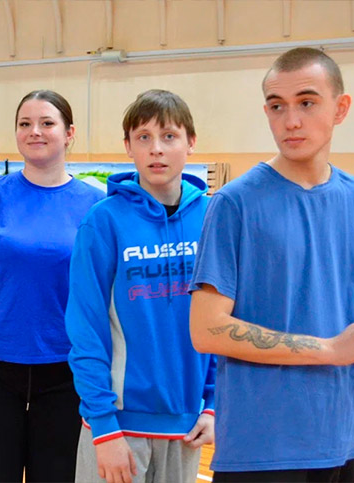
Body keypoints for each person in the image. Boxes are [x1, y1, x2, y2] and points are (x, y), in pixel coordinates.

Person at [189, 47, 354, 482]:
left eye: (307, 102)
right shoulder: (233, 204)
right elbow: (207, 329)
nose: (291, 121)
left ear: (340, 108)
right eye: (277, 106)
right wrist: (329, 349)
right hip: (263, 446)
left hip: (346, 435)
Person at [0, 89, 105, 482]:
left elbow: (104, 294)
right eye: (25, 124)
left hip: (67, 371)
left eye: (47, 123)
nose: (34, 131)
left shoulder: (97, 205)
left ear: (70, 133)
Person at [66, 89, 216, 483]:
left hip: (187, 424)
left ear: (191, 143)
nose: (156, 149)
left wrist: (214, 404)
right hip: (119, 424)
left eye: (169, 136)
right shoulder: (103, 221)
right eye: (144, 137)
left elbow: (223, 318)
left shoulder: (211, 218)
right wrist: (103, 425)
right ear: (128, 146)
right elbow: (85, 327)